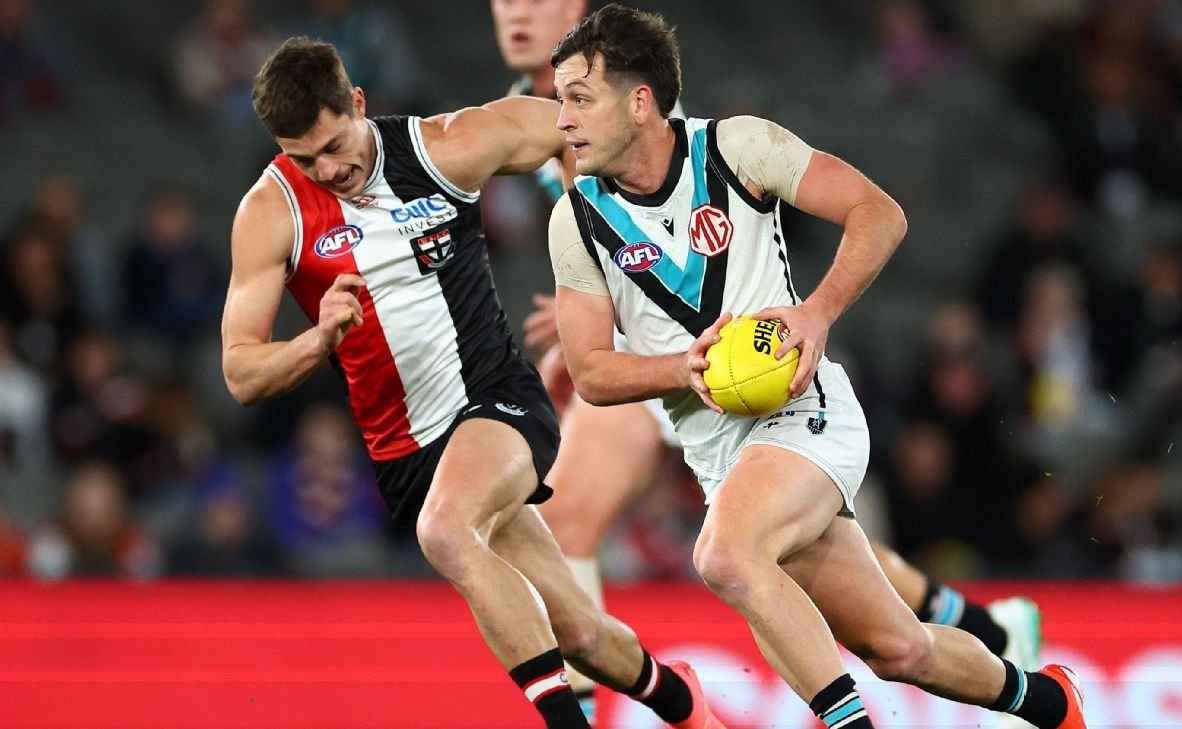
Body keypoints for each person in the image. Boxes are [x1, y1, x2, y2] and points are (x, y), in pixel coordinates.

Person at [494, 2, 1047, 726]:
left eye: (579, 100)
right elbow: (593, 372)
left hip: (800, 407)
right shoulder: (573, 216)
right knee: (898, 648)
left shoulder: (735, 148)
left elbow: (880, 213)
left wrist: (816, 312)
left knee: (723, 551)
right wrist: (678, 367)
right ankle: (1048, 697)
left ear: (639, 103)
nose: (561, 122)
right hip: (712, 441)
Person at [221, 37, 726, 729]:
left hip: (495, 399)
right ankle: (685, 703)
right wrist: (317, 339)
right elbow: (240, 371)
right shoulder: (270, 211)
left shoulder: (444, 148)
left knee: (447, 529)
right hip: (404, 452)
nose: (328, 170)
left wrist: (593, 264)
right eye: (305, 158)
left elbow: (575, 130)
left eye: (335, 145)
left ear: (358, 104)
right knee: (580, 632)